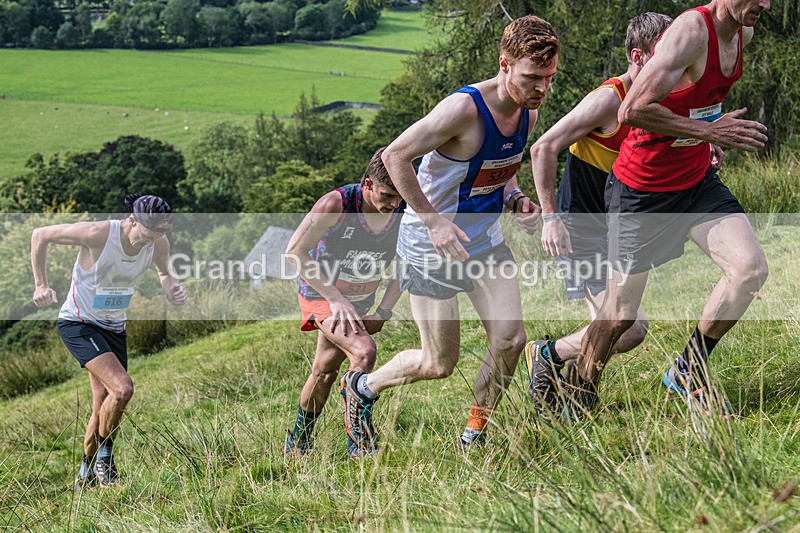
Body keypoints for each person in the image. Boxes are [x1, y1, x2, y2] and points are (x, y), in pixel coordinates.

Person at [338, 15, 559, 453]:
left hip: (484, 242)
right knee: (438, 362)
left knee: (511, 339)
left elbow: (502, 170)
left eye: (549, 78)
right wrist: (431, 218)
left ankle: (474, 433)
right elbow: (395, 154)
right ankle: (362, 388)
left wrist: (517, 201)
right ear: (504, 64)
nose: (541, 89)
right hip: (430, 246)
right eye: (533, 77)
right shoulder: (463, 109)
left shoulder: (528, 110)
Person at [573, 0, 770, 418]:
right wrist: (708, 130)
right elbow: (632, 110)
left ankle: (688, 370)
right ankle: (578, 389)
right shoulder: (690, 32)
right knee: (621, 315)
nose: (766, 5)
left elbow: (695, 97)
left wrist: (708, 135)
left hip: (695, 182)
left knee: (749, 269)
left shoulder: (742, 31)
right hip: (642, 191)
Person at [525, 12, 673, 413]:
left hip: (619, 230)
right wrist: (551, 218)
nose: (677, 60)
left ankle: (571, 387)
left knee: (619, 323)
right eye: (667, 51)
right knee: (629, 326)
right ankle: (549, 357)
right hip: (581, 228)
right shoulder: (609, 99)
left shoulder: (659, 99)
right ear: (639, 56)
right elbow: (542, 148)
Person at [31, 195, 187, 489]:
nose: (148, 243)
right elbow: (40, 235)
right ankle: (106, 459)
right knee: (123, 388)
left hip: (114, 327)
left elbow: (164, 272)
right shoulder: (98, 233)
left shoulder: (158, 243)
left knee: (103, 403)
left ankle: (84, 476)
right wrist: (41, 284)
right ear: (132, 220)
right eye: (146, 235)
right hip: (80, 323)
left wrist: (171, 288)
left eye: (156, 237)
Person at [283, 148, 405, 458]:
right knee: (364, 352)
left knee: (324, 372)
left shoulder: (405, 209)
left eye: (398, 196)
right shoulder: (335, 205)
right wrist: (335, 300)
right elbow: (295, 253)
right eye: (387, 194)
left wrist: (384, 310)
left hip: (363, 298)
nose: (394, 203)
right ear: (367, 184)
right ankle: (359, 445)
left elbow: (409, 261)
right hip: (324, 295)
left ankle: (298, 442)